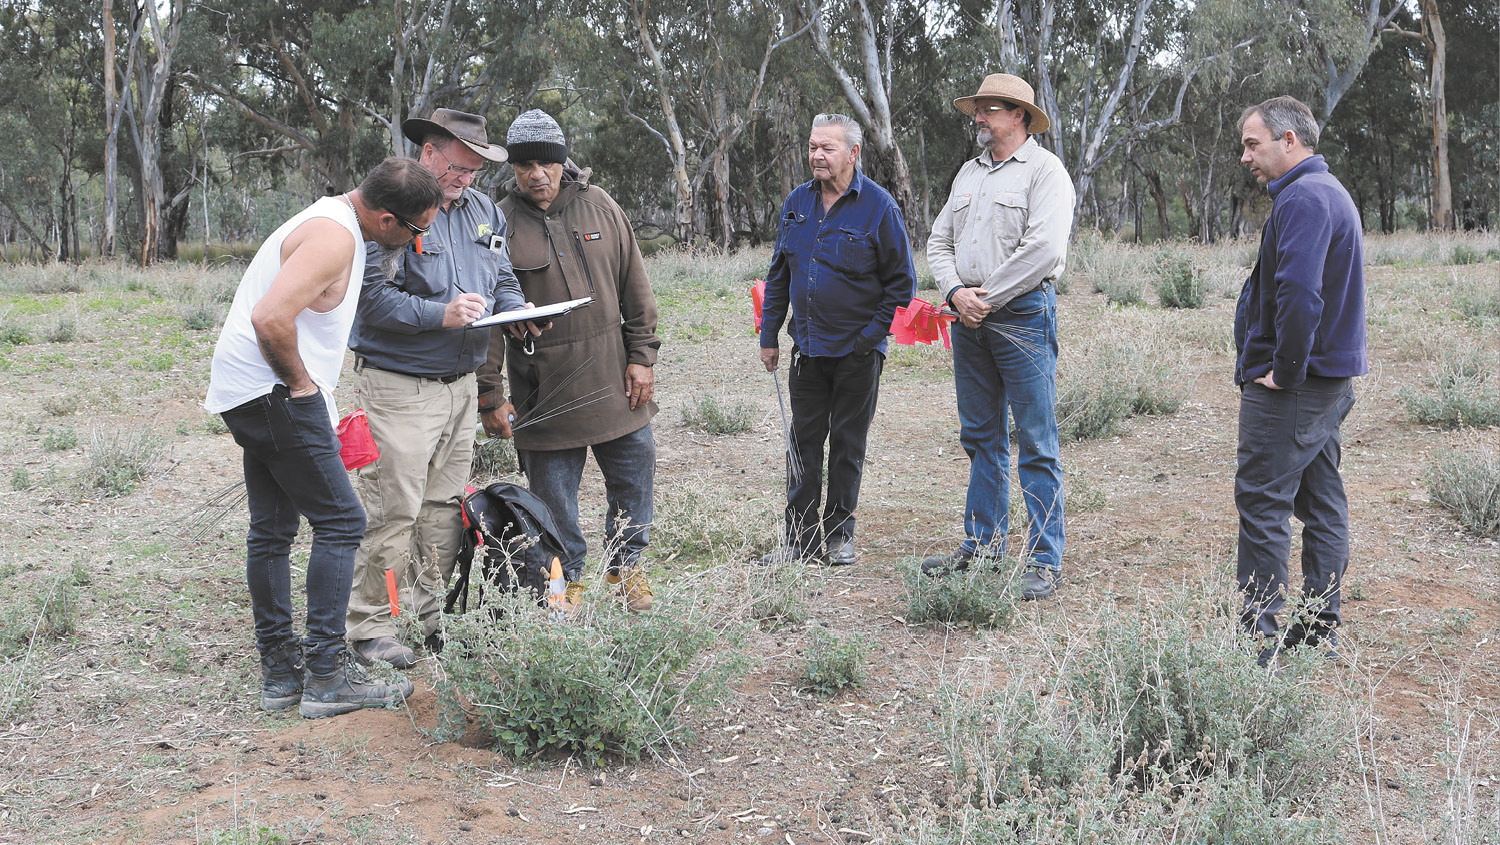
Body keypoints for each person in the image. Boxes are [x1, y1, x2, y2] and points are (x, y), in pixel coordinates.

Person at [204, 158, 442, 719]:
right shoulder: (335, 237)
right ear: (387, 219)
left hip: (249, 392)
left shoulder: (333, 222)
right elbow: (270, 318)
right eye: (417, 230)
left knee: (273, 529)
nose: (418, 241)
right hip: (275, 394)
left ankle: (281, 675)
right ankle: (326, 678)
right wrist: (303, 386)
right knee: (342, 522)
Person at [344, 109, 530, 668]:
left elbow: (500, 276)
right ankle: (368, 626)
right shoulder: (392, 210)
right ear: (428, 153)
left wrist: (518, 310)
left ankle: (428, 618)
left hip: (460, 388)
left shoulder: (482, 210)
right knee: (391, 507)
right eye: (458, 167)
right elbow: (369, 298)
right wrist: (438, 315)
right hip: (399, 386)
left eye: (475, 171)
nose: (466, 179)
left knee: (444, 510)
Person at [476, 109, 661, 612]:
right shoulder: (497, 221)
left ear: (563, 162)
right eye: (525, 165)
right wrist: (490, 393)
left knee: (634, 475)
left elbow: (635, 287)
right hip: (542, 385)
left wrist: (642, 357)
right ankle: (567, 582)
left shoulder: (600, 205)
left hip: (615, 377)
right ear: (512, 168)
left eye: (547, 164)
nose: (537, 175)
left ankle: (628, 572)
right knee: (553, 497)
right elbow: (486, 309)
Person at [921, 74, 1074, 600]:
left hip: (1022, 315)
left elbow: (1044, 250)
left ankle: (1044, 560)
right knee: (980, 437)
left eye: (990, 110)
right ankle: (983, 547)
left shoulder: (1045, 172)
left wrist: (984, 298)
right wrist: (957, 292)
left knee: (1035, 439)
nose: (979, 119)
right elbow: (938, 240)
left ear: (1020, 117)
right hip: (968, 318)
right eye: (978, 110)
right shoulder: (969, 173)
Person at [1233, 95, 1366, 664]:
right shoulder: (1325, 191)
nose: (1246, 157)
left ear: (1290, 140)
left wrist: (1283, 372)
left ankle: (1257, 644)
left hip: (1296, 387)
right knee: (1321, 499)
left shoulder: (1306, 198)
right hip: (1327, 384)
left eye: (1252, 144)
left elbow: (1301, 295)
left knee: (1263, 502)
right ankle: (1318, 630)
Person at [757, 113, 917, 567]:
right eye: (812, 146)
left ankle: (839, 535)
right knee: (802, 443)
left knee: (848, 443)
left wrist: (869, 338)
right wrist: (770, 337)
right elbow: (779, 275)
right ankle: (800, 539)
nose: (816, 156)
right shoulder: (796, 203)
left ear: (853, 153)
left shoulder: (880, 208)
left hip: (857, 354)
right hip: (806, 350)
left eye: (827, 148)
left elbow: (901, 284)